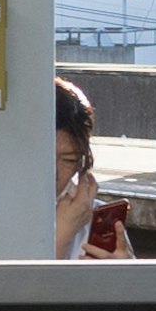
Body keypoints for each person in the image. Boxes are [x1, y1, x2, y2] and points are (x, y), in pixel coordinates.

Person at [53, 79, 134, 260]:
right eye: (43, 159)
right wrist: (60, 238)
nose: (54, 174)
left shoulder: (91, 216)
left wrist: (126, 275)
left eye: (68, 160)